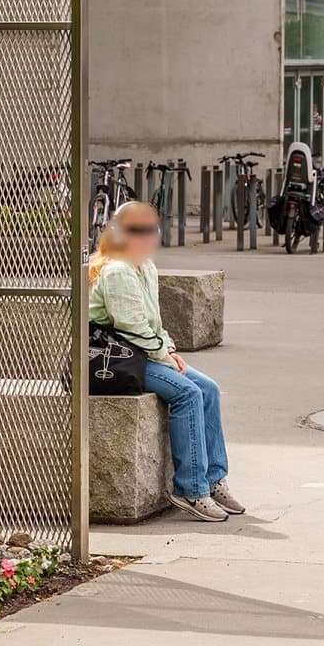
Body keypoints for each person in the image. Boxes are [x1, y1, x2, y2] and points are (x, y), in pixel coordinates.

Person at [88, 202, 242, 523]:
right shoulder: (117, 271)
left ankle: (214, 479)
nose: (146, 236)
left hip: (141, 354)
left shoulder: (145, 267)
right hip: (114, 359)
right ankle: (191, 488)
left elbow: (154, 323)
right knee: (188, 393)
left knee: (209, 388)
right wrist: (165, 355)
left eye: (150, 229)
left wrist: (169, 348)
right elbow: (131, 327)